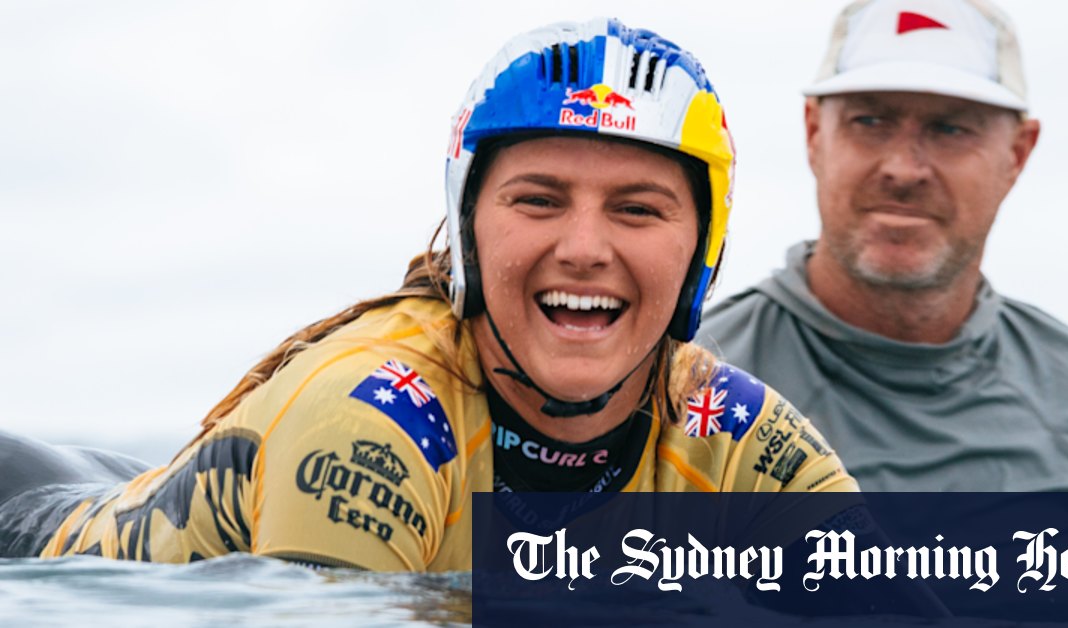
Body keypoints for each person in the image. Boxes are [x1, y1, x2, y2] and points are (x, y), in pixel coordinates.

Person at [0, 18, 856, 571]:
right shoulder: (373, 421)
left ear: (702, 250)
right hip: (35, 540)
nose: (586, 248)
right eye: (538, 199)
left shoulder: (736, 438)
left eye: (637, 210)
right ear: (468, 229)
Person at [698, 0, 1068, 491]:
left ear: (1017, 154)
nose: (904, 168)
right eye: (870, 121)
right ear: (814, 133)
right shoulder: (680, 396)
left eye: (949, 128)